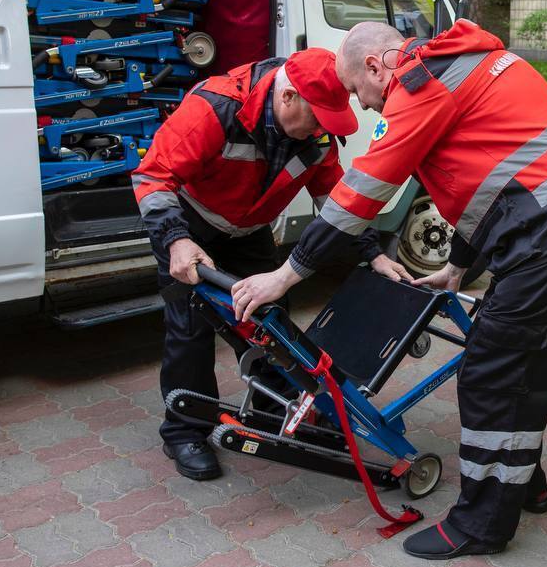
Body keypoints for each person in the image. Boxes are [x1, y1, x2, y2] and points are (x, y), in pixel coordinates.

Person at [230, 20, 547, 559]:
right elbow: (486, 180)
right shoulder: (469, 64)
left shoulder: (420, 86)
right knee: (526, 369)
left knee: (490, 375)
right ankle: (523, 484)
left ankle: (481, 526)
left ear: (375, 67)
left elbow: (358, 196)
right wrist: (457, 269)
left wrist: (284, 275)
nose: (364, 108)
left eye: (356, 91)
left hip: (546, 244)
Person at [132, 48, 411, 481]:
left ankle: (272, 410)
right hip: (190, 227)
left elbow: (336, 202)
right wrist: (177, 241)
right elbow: (152, 177)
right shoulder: (216, 107)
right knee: (191, 330)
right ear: (288, 99)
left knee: (271, 325)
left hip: (250, 231)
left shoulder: (315, 137)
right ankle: (184, 430)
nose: (322, 132)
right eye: (317, 119)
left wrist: (373, 254)